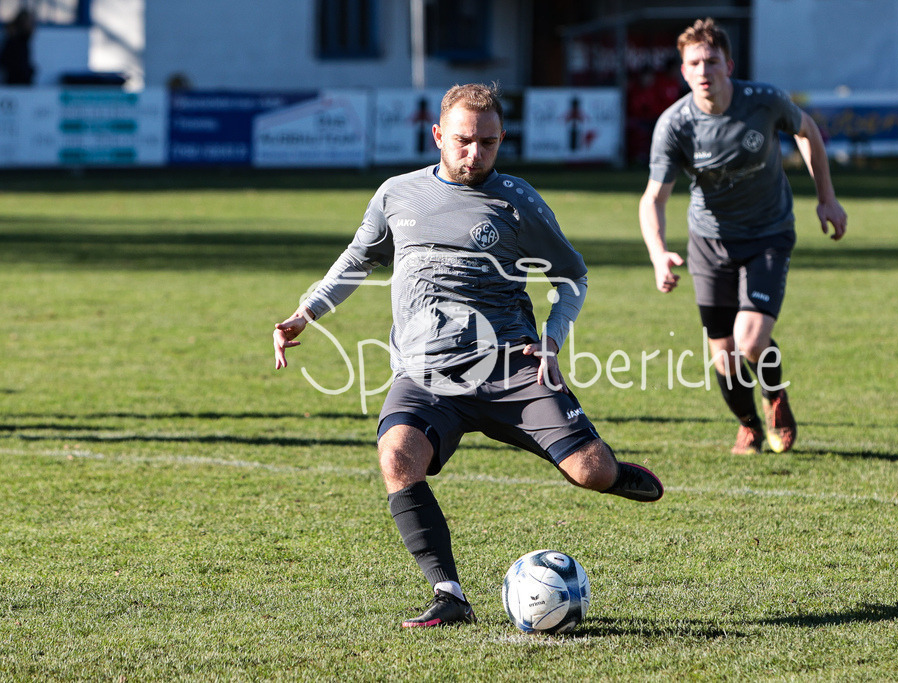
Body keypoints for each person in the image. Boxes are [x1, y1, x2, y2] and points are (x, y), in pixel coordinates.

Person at [274, 83, 664, 628]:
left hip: (512, 367)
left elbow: (571, 274)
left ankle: (612, 472)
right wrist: (306, 312)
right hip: (426, 373)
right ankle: (449, 594)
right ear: (438, 136)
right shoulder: (397, 195)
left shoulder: (517, 201)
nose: (473, 153)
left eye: (487, 142)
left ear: (502, 139)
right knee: (397, 456)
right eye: (461, 140)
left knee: (590, 472)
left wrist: (553, 337)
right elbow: (357, 261)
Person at [638, 18, 847, 456]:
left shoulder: (764, 102)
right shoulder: (675, 124)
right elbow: (653, 198)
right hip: (710, 243)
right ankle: (749, 424)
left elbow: (807, 132)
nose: (703, 70)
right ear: (683, 70)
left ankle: (775, 398)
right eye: (693, 62)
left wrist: (826, 198)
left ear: (728, 65)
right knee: (725, 355)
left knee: (751, 340)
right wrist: (658, 254)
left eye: (711, 61)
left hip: (768, 233)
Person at [0, 8, 35, 85]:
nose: (31, 25)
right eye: (29, 22)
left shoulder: (24, 40)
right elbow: (5, 59)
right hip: (14, 79)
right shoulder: (13, 40)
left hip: (22, 78)